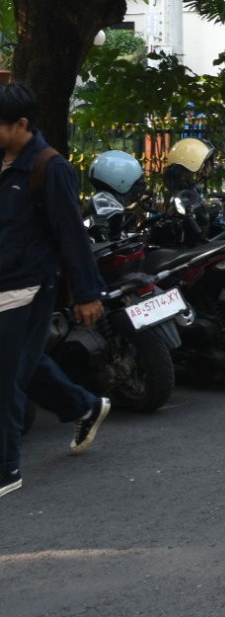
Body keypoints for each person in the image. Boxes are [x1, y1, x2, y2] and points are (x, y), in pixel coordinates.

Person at [0, 83, 111, 498]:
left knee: (6, 376)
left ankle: (6, 469)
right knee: (24, 364)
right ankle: (82, 405)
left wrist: (87, 293)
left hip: (28, 287)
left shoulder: (49, 166)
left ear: (21, 125)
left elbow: (72, 236)